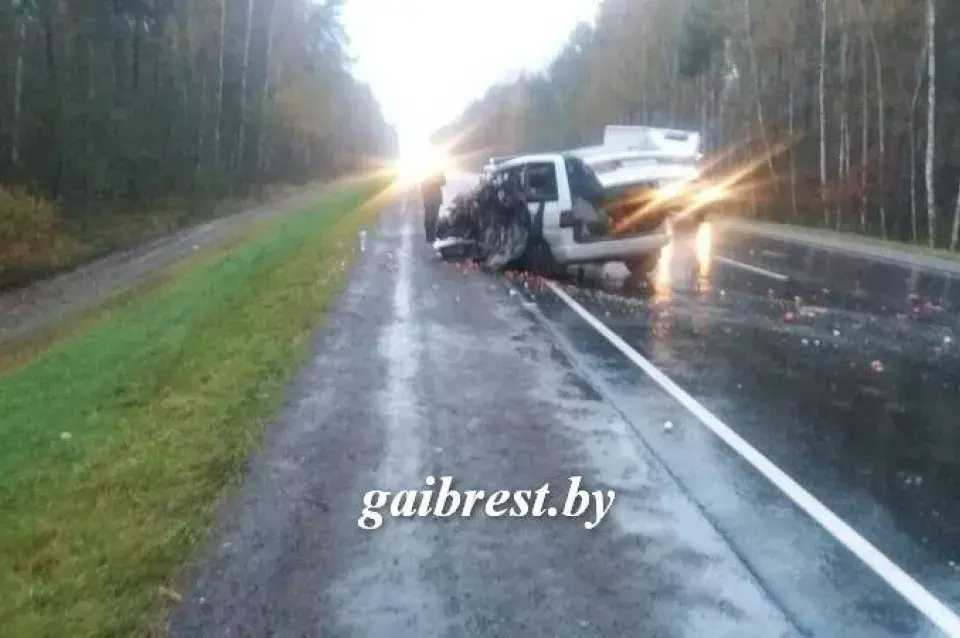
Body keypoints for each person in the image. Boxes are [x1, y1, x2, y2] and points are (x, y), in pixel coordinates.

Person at [420, 170, 446, 242]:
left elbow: (443, 182)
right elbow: (422, 185)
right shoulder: (426, 173)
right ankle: (429, 236)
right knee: (429, 218)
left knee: (433, 218)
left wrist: (438, 180)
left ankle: (432, 236)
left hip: (434, 199)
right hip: (429, 199)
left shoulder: (438, 172)